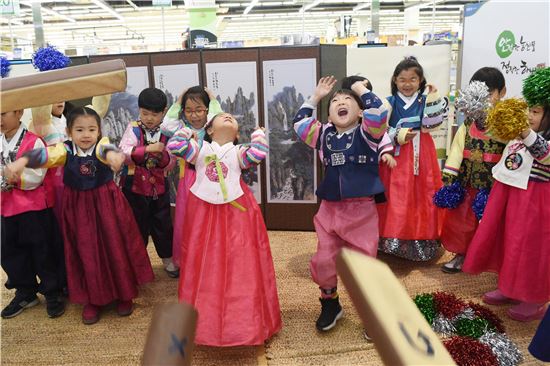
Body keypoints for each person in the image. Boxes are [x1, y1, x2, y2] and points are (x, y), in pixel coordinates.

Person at [8, 106, 155, 325]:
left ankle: (125, 293)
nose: (86, 135)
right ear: (69, 132)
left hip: (107, 205)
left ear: (98, 131)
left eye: (91, 129)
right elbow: (45, 154)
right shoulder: (64, 150)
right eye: (79, 130)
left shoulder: (102, 145)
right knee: (84, 250)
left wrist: (115, 158)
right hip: (77, 209)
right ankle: (92, 299)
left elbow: (110, 151)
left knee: (114, 244)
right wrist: (20, 162)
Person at [166, 112, 281, 346]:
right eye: (222, 117)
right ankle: (203, 324)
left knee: (240, 260)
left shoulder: (238, 153)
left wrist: (259, 135)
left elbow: (258, 154)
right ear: (209, 130)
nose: (228, 117)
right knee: (203, 260)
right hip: (202, 214)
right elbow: (175, 145)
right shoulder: (199, 150)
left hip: (236, 213)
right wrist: (188, 131)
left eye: (232, 118)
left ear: (237, 133)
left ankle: (245, 324)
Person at [293, 76, 388, 332]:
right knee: (324, 260)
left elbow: (379, 114)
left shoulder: (368, 133)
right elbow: (300, 124)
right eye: (335, 101)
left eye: (348, 100)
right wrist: (315, 98)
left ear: (360, 114)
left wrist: (361, 89)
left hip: (362, 211)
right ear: (329, 115)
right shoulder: (323, 134)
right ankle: (330, 303)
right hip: (330, 209)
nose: (340, 102)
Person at [463, 67, 550, 322]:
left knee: (532, 247)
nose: (529, 116)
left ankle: (533, 297)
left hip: (536, 197)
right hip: (510, 191)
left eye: (535, 111)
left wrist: (524, 131)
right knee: (509, 240)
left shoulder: (536, 135)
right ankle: (510, 286)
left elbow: (546, 155)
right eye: (528, 109)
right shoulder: (519, 130)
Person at [377, 56, 447, 261]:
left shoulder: (425, 100)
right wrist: (396, 135)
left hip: (422, 151)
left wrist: (434, 97)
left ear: (420, 81)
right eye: (402, 79)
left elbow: (431, 124)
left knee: (423, 192)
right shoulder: (388, 102)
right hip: (398, 152)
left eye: (412, 79)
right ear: (395, 80)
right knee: (396, 194)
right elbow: (379, 128)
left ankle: (422, 238)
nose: (407, 84)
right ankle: (393, 239)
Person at [439, 67, 507, 273]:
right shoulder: (467, 123)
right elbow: (457, 149)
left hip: (494, 184)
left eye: (489, 93)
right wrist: (450, 176)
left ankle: (489, 259)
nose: (483, 99)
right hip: (467, 182)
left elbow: (511, 150)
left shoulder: (506, 123)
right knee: (462, 221)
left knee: (492, 223)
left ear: (502, 93)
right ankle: (461, 254)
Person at [0, 109, 65, 319]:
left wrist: (14, 178)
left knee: (42, 250)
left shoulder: (34, 141)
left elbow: (37, 175)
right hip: (5, 206)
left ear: (18, 112)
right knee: (10, 251)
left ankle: (52, 291)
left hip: (34, 206)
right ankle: (25, 291)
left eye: (2, 113)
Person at [161, 86, 222, 268]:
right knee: (188, 220)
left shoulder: (212, 128)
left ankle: (212, 260)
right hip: (189, 178)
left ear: (207, 110)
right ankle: (191, 262)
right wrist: (179, 100)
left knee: (211, 220)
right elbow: (166, 126)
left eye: (199, 110)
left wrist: (213, 100)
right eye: (189, 110)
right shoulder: (182, 129)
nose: (194, 115)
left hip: (211, 179)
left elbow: (219, 119)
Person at [119, 88, 177, 277]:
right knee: (137, 226)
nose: (149, 118)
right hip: (135, 186)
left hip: (159, 186)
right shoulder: (133, 128)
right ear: (139, 110)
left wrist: (164, 158)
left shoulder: (168, 132)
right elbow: (124, 152)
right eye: (145, 113)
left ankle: (168, 259)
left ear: (164, 112)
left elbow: (172, 161)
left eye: (155, 114)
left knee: (163, 224)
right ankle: (138, 263)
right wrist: (147, 149)